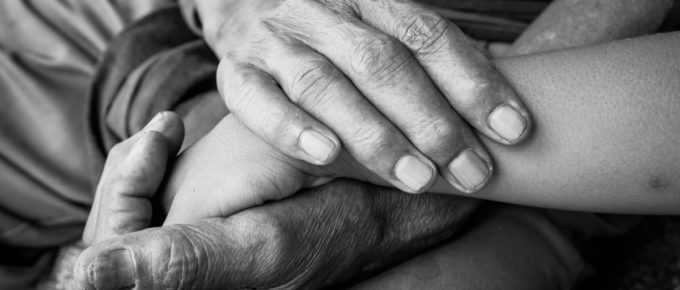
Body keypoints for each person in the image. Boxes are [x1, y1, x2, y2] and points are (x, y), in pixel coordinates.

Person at [73, 1, 680, 289]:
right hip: (223, 56)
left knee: (218, 171)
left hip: (519, 43)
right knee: (174, 129)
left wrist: (394, 192)